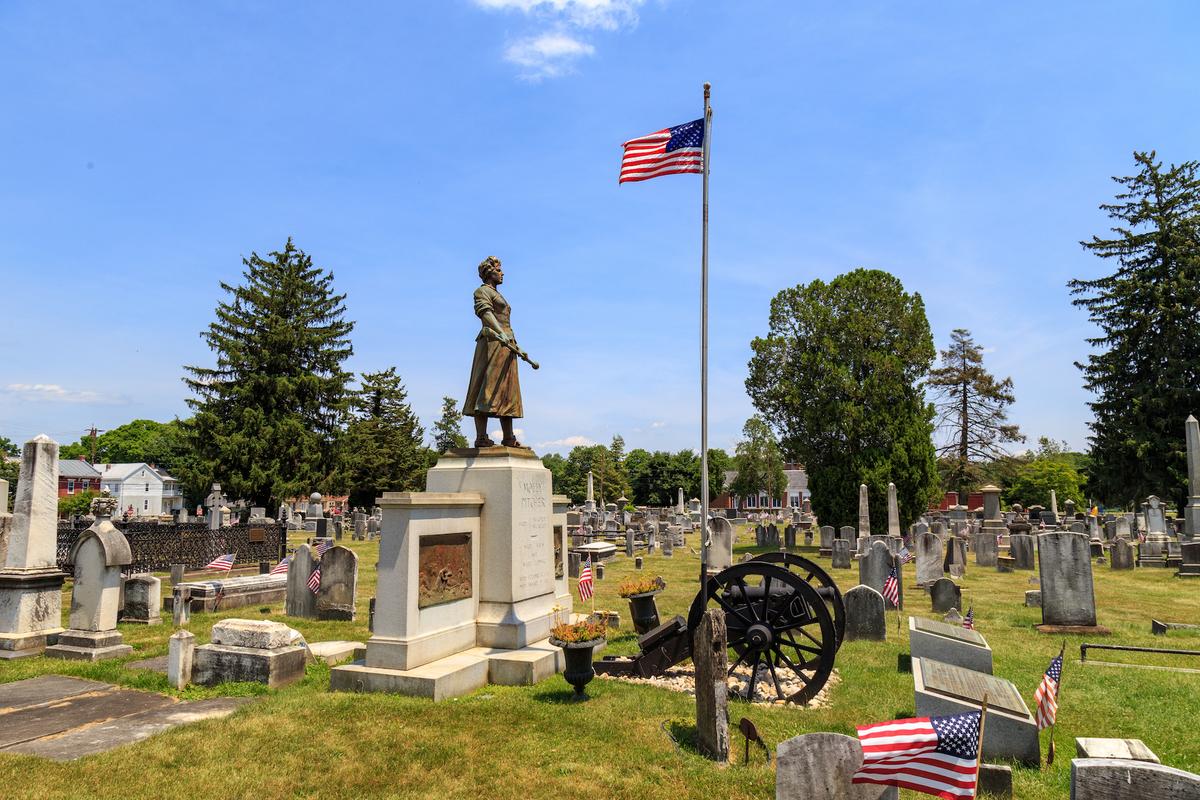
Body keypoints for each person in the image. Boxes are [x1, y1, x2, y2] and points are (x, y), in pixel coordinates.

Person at [462, 255, 524, 448]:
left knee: (507, 391)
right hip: (492, 343)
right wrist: (500, 333)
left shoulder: (499, 294)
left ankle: (508, 437)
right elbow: (485, 313)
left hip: (507, 345)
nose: (502, 273)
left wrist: (513, 341)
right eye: (498, 270)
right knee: (487, 387)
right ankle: (481, 437)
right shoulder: (482, 292)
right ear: (489, 272)